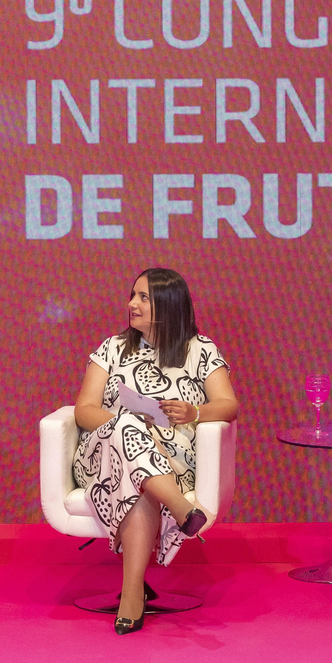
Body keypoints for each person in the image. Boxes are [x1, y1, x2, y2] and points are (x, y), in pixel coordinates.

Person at [72, 268, 238, 635]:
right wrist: (128, 424)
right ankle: (182, 509)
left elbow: (228, 405)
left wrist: (195, 412)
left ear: (169, 305)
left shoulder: (200, 350)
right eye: (133, 295)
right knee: (129, 425)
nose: (132, 304)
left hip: (169, 463)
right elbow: (84, 409)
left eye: (143, 298)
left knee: (143, 478)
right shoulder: (112, 348)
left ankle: (132, 593)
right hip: (104, 455)